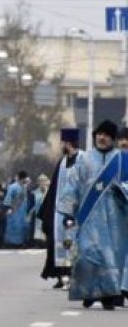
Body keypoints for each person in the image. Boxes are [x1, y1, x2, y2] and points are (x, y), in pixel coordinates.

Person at [57, 120, 128, 310]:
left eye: (106, 135)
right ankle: (88, 292)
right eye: (99, 134)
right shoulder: (85, 159)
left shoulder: (122, 160)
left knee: (111, 257)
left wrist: (122, 191)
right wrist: (68, 212)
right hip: (89, 217)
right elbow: (73, 185)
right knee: (87, 255)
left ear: (112, 139)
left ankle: (108, 295)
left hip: (116, 219)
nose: (101, 138)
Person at [38, 127, 83, 289]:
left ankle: (74, 276)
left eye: (63, 142)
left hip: (77, 211)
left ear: (69, 143)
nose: (61, 145)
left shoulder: (83, 159)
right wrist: (47, 212)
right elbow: (54, 188)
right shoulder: (62, 162)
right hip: (59, 212)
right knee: (59, 244)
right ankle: (61, 275)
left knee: (74, 244)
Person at [1, 171, 31, 248]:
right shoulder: (13, 187)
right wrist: (8, 208)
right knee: (14, 226)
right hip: (14, 210)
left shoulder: (24, 187)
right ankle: (11, 243)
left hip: (22, 211)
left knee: (21, 226)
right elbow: (8, 198)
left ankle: (20, 242)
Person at [29, 174, 50, 248]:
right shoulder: (34, 193)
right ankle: (37, 243)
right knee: (37, 229)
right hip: (37, 213)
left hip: (47, 214)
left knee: (45, 228)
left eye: (44, 181)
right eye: (41, 181)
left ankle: (46, 243)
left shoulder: (50, 192)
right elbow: (31, 204)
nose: (42, 183)